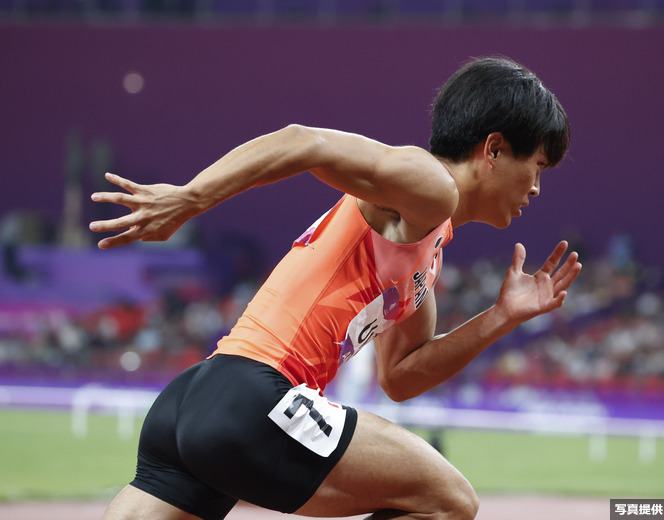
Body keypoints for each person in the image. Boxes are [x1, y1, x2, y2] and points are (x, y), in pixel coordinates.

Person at [89, 56, 582, 520]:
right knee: (449, 501)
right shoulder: (433, 187)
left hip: (194, 400)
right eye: (537, 166)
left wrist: (498, 318)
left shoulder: (423, 258)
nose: (537, 188)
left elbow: (401, 378)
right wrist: (190, 198)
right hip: (257, 398)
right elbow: (305, 141)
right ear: (493, 149)